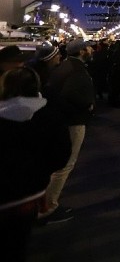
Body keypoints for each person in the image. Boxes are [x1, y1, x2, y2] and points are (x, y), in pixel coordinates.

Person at [0, 67, 71, 261]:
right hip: (28, 195)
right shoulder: (49, 115)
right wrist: (40, 172)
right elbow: (61, 156)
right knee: (17, 244)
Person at [40, 39, 95, 224]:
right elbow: (69, 96)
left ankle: (44, 203)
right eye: (88, 47)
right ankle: (48, 207)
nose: (91, 49)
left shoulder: (65, 67)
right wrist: (86, 106)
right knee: (65, 165)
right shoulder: (76, 70)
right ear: (81, 51)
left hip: (64, 120)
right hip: (73, 121)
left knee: (59, 163)